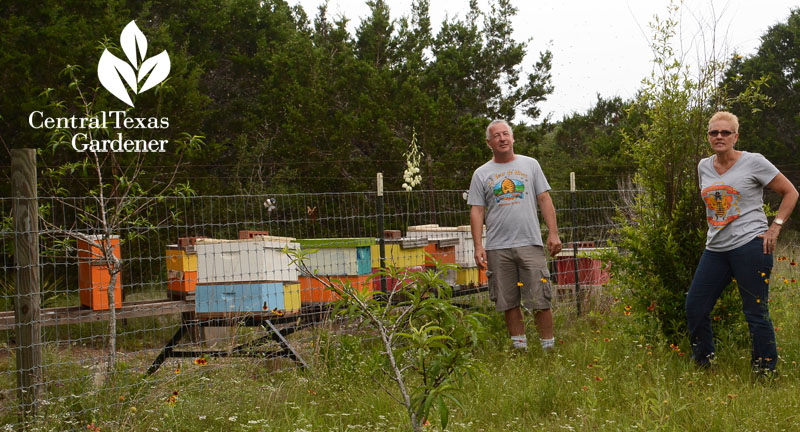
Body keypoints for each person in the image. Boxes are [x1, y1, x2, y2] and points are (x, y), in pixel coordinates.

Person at [686, 111, 798, 373]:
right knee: (695, 306)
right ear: (709, 137)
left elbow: (790, 192)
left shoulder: (754, 162)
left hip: (751, 246)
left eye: (725, 132)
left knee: (755, 312)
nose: (719, 136)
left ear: (735, 136)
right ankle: (703, 364)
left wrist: (775, 228)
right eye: (714, 132)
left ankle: (764, 371)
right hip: (715, 248)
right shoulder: (703, 166)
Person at [468, 119, 562, 352]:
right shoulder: (481, 173)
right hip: (498, 247)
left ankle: (548, 349)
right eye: (497, 136)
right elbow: (477, 210)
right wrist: (478, 246)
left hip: (530, 243)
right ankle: (520, 349)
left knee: (540, 299)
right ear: (489, 143)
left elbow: (544, 199)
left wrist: (553, 233)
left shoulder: (530, 165)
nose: (502, 138)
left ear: (513, 138)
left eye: (505, 134)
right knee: (508, 301)